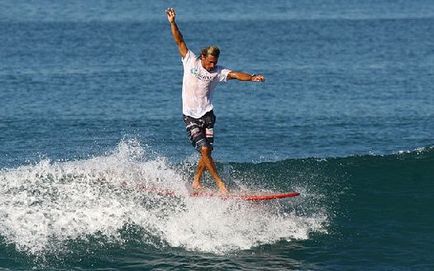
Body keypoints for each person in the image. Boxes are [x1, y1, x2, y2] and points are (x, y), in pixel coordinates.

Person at [166, 8, 265, 194]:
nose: (213, 66)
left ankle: (196, 182)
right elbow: (179, 39)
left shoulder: (217, 71)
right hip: (190, 116)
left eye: (215, 62)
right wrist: (172, 22)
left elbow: (235, 74)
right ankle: (220, 184)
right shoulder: (190, 61)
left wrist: (251, 77)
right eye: (210, 62)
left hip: (208, 116)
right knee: (203, 149)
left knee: (207, 152)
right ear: (203, 57)